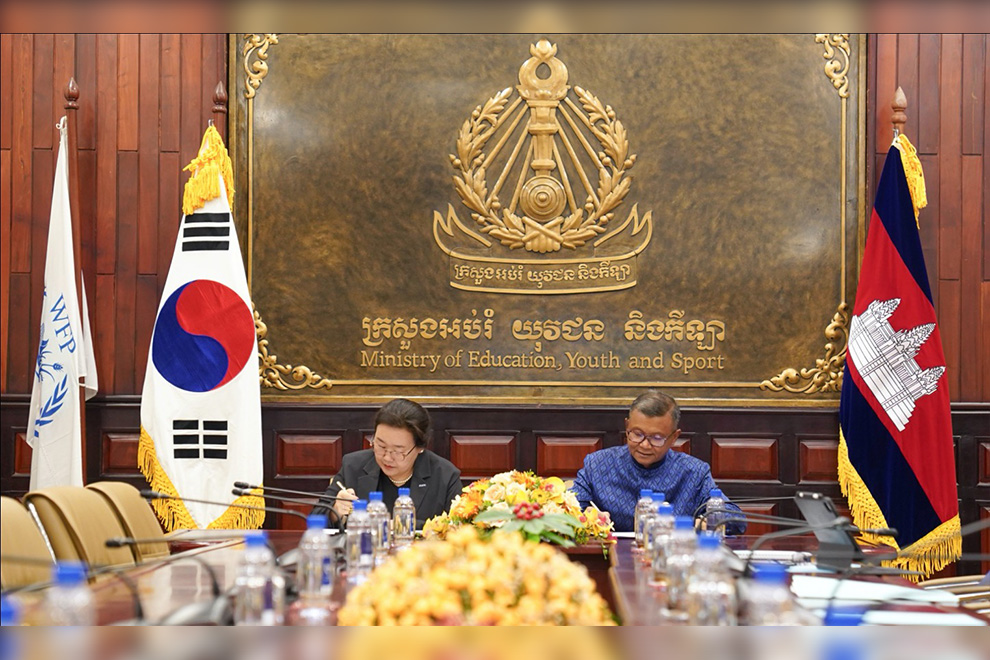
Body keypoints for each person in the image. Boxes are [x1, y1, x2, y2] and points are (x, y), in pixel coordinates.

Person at [571, 390, 746, 534]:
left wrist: (710, 521)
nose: (645, 445)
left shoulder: (694, 472)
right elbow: (570, 508)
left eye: (656, 438)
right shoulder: (597, 464)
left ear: (674, 437)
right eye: (637, 434)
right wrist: (589, 515)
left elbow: (736, 519)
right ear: (627, 427)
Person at [311, 398, 462, 528]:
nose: (387, 458)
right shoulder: (353, 466)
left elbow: (457, 527)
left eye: (398, 451)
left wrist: (399, 525)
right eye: (381, 446)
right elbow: (316, 517)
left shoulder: (445, 475)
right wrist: (334, 511)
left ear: (420, 448)